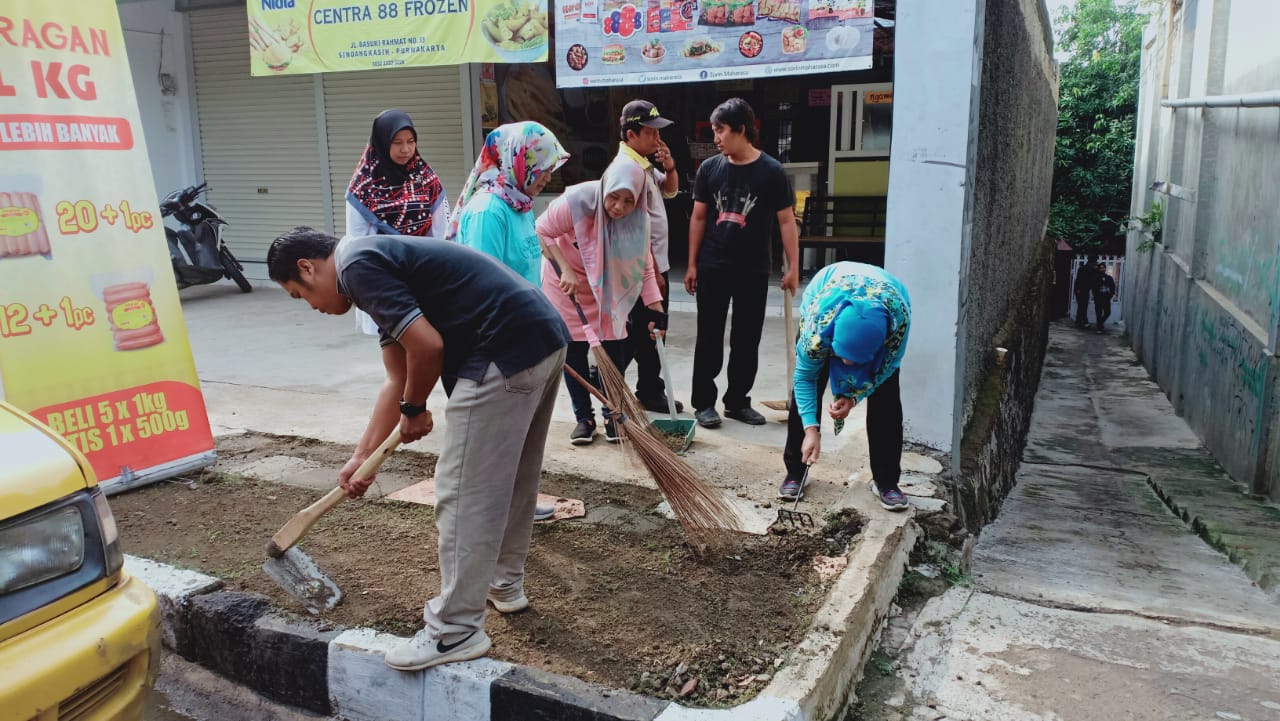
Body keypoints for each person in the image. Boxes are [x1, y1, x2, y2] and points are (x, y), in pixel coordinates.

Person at [266, 227, 570, 672]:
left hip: (501, 349)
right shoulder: (371, 262)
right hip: (539, 335)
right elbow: (398, 374)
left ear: (308, 268)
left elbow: (428, 346)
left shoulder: (356, 267)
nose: (312, 307)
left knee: (463, 490)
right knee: (513, 476)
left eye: (300, 294)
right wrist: (361, 457)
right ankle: (505, 584)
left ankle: (454, 631)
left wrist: (416, 407)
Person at [685, 98, 799, 429]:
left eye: (720, 130)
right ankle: (704, 403)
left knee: (747, 339)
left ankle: (737, 401)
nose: (716, 137)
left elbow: (787, 222)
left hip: (753, 268)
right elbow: (698, 217)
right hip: (713, 266)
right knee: (708, 337)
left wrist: (792, 267)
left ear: (741, 130)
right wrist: (691, 264)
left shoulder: (772, 171)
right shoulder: (709, 169)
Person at [537, 156, 666, 445]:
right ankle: (584, 418)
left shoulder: (638, 221)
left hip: (607, 290)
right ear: (605, 188)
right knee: (574, 352)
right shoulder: (578, 201)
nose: (618, 207)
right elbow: (541, 231)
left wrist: (657, 312)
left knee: (614, 351)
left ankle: (613, 415)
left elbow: (643, 267)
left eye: (627, 201)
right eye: (613, 198)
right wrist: (565, 268)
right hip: (566, 285)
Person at [780, 261, 911, 511]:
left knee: (887, 399)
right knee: (809, 387)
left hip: (887, 294)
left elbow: (884, 370)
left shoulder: (897, 325)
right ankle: (796, 472)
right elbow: (804, 379)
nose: (847, 364)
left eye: (856, 361)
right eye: (841, 357)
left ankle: (887, 481)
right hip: (828, 288)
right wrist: (811, 430)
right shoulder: (816, 329)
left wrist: (854, 396)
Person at [345, 109, 450, 337]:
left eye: (411, 142)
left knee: (427, 343)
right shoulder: (363, 186)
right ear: (382, 142)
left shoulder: (425, 177)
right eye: (397, 142)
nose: (406, 149)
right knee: (394, 344)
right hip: (385, 278)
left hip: (424, 273)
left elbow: (441, 231)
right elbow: (356, 243)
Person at [614, 99, 684, 414]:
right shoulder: (627, 170)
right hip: (646, 269)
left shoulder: (642, 165)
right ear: (631, 134)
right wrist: (653, 273)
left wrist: (668, 166)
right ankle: (648, 390)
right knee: (651, 329)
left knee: (645, 329)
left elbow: (669, 191)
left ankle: (639, 384)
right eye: (651, 133)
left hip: (653, 266)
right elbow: (633, 227)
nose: (657, 140)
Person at [447, 121, 569, 286]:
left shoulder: (521, 205)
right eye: (543, 170)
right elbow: (484, 287)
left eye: (550, 170)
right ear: (521, 163)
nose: (548, 178)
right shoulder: (487, 212)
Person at [1073, 254, 1098, 328]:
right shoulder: (1083, 269)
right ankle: (1084, 321)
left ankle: (1078, 321)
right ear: (1091, 262)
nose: (1095, 263)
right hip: (1081, 290)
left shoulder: (1089, 269)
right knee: (1082, 306)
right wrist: (1077, 289)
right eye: (1094, 262)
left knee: (1082, 306)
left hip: (1084, 290)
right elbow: (1078, 280)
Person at [1093, 261, 1116, 333]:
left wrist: (1111, 294)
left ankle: (1100, 323)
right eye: (1101, 268)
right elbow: (1094, 288)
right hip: (1098, 298)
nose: (1102, 269)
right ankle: (1099, 328)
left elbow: (1113, 286)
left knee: (1108, 312)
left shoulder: (1109, 277)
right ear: (1099, 269)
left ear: (1105, 268)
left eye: (1103, 268)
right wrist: (1096, 296)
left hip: (1106, 298)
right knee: (1098, 313)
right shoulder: (1096, 277)